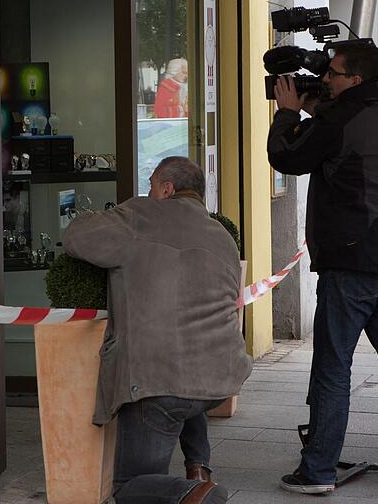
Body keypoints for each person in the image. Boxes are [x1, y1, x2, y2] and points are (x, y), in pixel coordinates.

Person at [268, 40, 378, 494]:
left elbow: (288, 157)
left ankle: (318, 469)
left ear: (355, 79)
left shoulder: (341, 118)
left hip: (355, 258)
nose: (324, 79)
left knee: (334, 364)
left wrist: (287, 112)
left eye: (333, 74)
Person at [61, 156, 252, 504]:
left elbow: (76, 237)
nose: (146, 193)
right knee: (187, 387)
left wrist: (102, 214)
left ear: (167, 189)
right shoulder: (222, 234)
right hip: (221, 374)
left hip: (160, 385)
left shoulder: (141, 216)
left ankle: (195, 493)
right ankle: (198, 467)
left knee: (130, 485)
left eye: (150, 185)